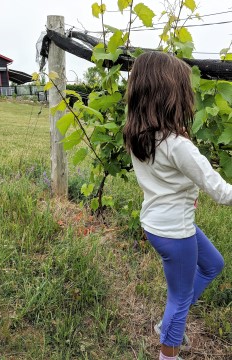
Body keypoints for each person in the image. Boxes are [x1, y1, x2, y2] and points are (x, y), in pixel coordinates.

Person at [123, 51, 232, 360]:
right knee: (179, 299)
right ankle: (168, 352)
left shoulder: (139, 135)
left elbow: (166, 179)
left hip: (158, 225)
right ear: (173, 96)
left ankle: (170, 322)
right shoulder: (178, 146)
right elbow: (222, 193)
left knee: (213, 264)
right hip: (176, 233)